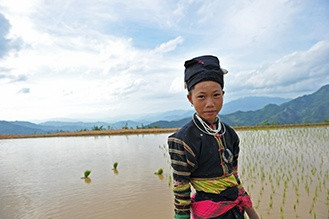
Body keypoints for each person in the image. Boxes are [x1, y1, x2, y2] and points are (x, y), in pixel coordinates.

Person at [168, 55, 259, 219]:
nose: (210, 103)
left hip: (235, 210)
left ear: (223, 95)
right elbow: (181, 187)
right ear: (190, 98)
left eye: (216, 95)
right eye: (201, 97)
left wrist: (250, 210)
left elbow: (234, 175)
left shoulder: (229, 134)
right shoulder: (182, 140)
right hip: (209, 213)